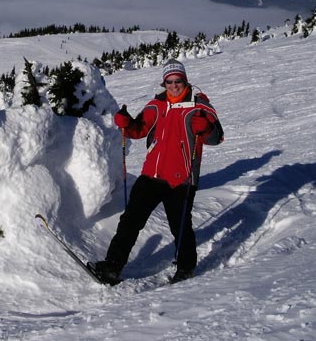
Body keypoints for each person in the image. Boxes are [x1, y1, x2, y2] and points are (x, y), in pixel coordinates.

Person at [90, 59, 224, 285]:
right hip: (151, 176)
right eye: (169, 81)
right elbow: (138, 129)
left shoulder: (200, 105)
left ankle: (185, 269)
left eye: (178, 80)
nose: (174, 85)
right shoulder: (156, 105)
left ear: (185, 80)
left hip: (182, 179)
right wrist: (126, 123)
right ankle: (112, 267)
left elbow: (216, 137)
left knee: (180, 227)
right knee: (130, 221)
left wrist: (206, 128)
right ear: (164, 83)